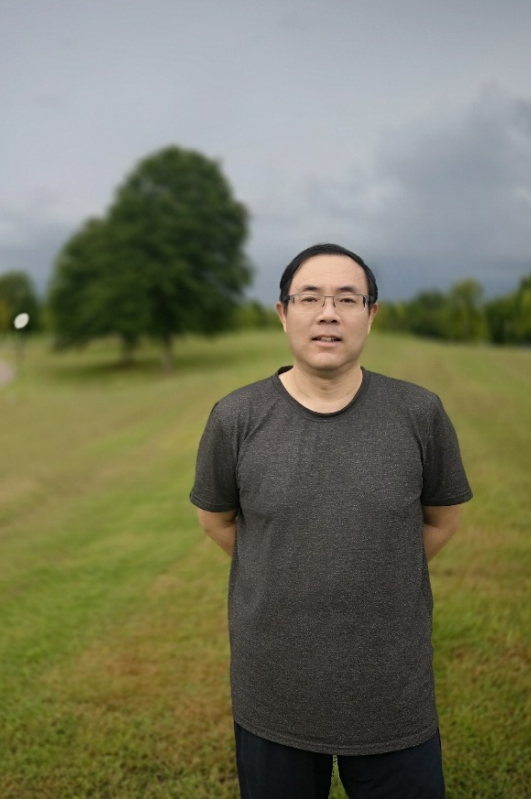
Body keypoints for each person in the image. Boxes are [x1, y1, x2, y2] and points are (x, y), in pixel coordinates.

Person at [190, 243, 472, 799]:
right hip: (274, 694)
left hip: (393, 694)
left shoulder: (419, 413)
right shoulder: (236, 418)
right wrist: (285, 562)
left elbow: (441, 520)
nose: (328, 314)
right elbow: (216, 519)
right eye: (309, 298)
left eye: (347, 299)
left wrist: (378, 561)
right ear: (282, 312)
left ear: (371, 314)